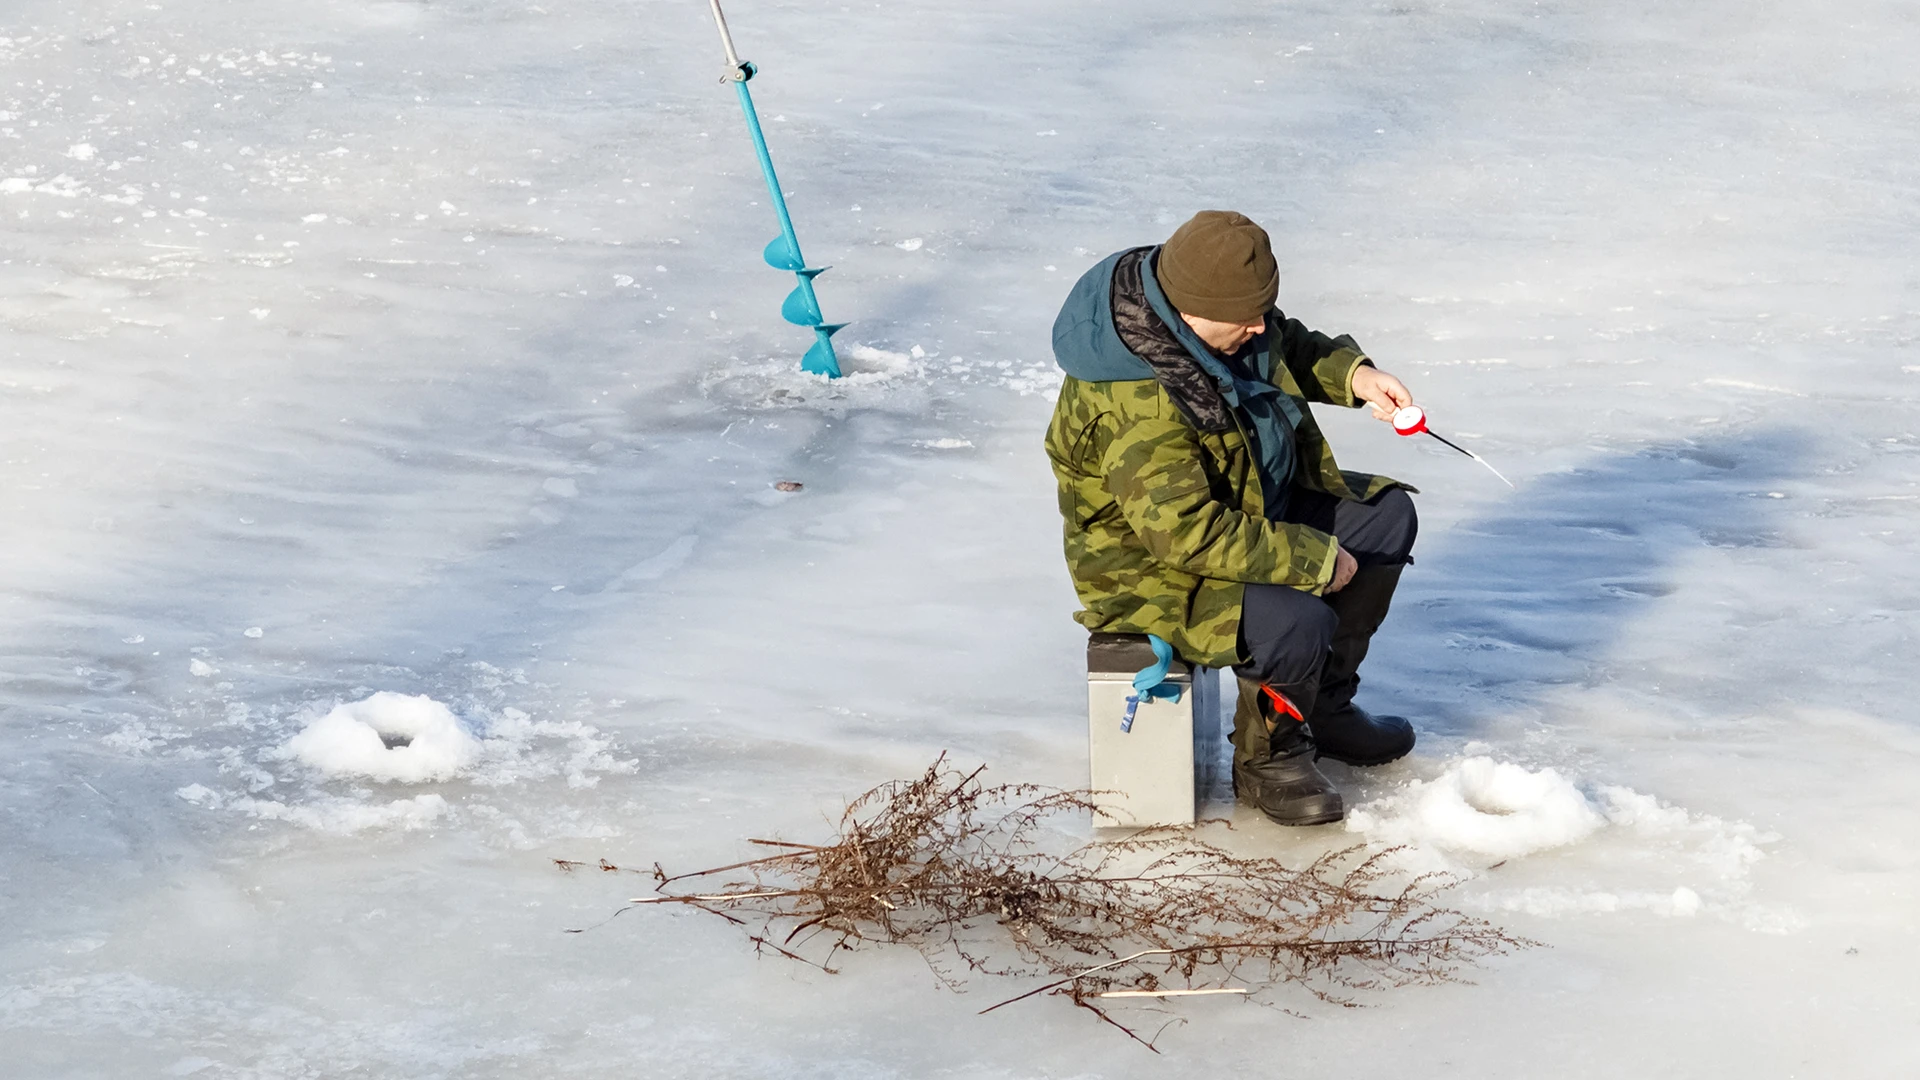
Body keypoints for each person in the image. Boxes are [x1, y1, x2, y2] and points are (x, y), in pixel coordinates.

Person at [1045, 210, 1420, 826]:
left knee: (1383, 517)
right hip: (1150, 572)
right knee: (1296, 618)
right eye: (1243, 318)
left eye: (1260, 310)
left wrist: (1356, 376)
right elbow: (1183, 531)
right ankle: (1268, 759)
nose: (1257, 325)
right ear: (1189, 312)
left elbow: (1281, 342)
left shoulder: (1215, 310)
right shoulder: (1138, 399)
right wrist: (1311, 559)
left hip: (1246, 507)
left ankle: (1320, 705)